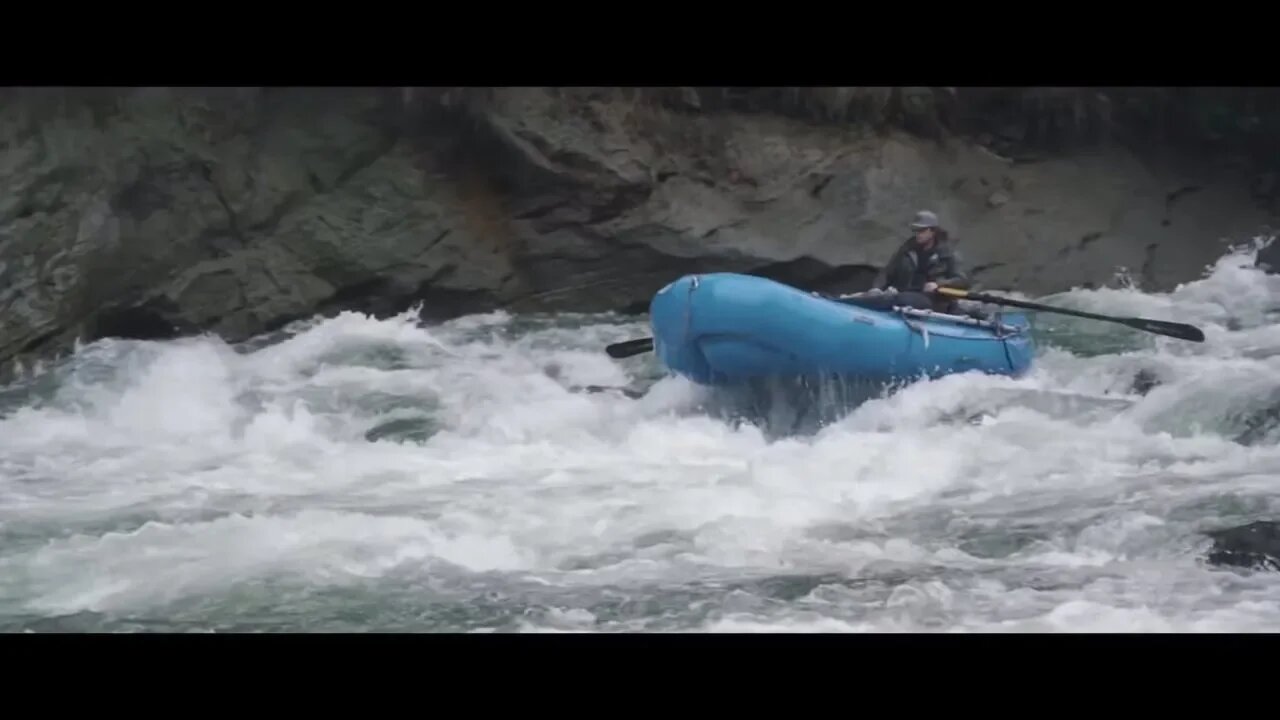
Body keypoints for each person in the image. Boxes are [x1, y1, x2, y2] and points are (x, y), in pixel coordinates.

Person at [873, 210, 971, 313]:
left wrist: (938, 284)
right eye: (916, 230)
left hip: (934, 301)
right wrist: (877, 289)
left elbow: (962, 280)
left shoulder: (947, 254)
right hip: (905, 294)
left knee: (901, 299)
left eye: (922, 230)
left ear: (933, 231)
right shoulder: (907, 249)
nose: (918, 234)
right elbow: (887, 272)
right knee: (882, 297)